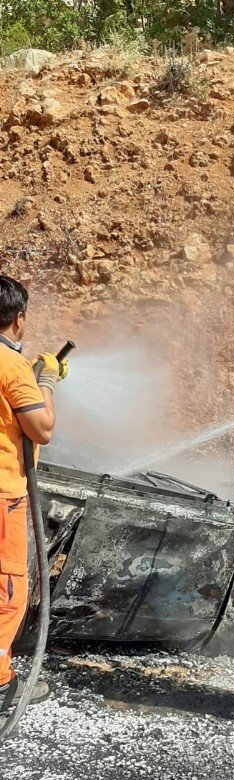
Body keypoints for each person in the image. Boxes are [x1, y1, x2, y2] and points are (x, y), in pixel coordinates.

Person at [0, 276, 68, 714]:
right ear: (19, 320)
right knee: (8, 593)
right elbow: (41, 427)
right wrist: (47, 383)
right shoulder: (11, 366)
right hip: (2, 493)